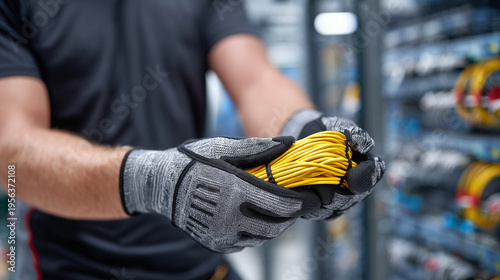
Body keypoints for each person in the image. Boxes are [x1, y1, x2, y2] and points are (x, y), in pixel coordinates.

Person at [0, 0, 384, 279]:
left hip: (198, 254)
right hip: (69, 267)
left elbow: (254, 79)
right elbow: (12, 151)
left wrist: (305, 129)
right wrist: (150, 180)